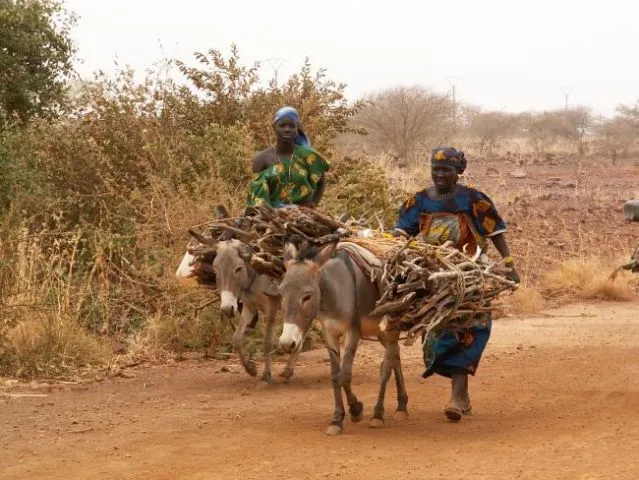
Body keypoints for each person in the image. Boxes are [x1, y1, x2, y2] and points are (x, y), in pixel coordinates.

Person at [392, 146, 520, 422]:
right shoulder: (419, 201)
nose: (439, 174)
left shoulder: (473, 199)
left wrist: (509, 266)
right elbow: (401, 232)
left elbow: (495, 232)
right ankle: (460, 395)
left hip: (469, 270)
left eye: (446, 170)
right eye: (435, 169)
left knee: (467, 326)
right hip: (430, 271)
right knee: (435, 327)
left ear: (458, 171)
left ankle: (458, 396)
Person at [247, 106, 330, 208]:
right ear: (274, 127)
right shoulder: (262, 159)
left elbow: (321, 183)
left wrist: (313, 204)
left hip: (302, 217)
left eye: (292, 126)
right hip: (270, 217)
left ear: (297, 129)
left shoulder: (308, 156)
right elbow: (256, 191)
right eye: (282, 125)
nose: (287, 129)